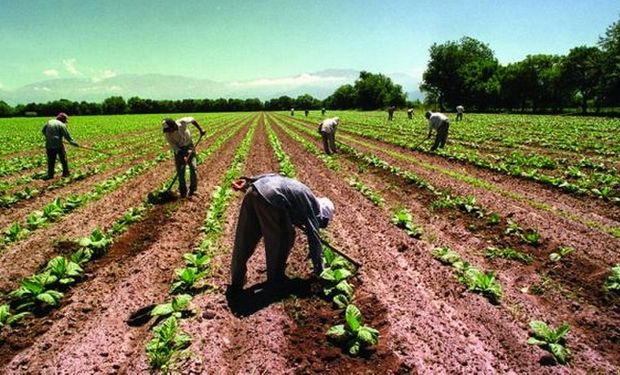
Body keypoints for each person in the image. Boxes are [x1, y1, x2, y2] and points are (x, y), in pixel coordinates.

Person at [229, 173, 334, 289]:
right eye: (322, 222)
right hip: (271, 198)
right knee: (284, 238)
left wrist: (249, 182)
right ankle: (276, 280)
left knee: (244, 238)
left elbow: (275, 176)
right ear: (322, 214)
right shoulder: (312, 205)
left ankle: (236, 281)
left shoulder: (301, 192)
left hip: (253, 191)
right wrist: (320, 270)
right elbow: (314, 237)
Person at [162, 117, 206, 198]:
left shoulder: (182, 122)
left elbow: (193, 119)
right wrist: (182, 155)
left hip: (189, 146)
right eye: (167, 130)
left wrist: (200, 130)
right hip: (179, 150)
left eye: (169, 129)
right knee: (180, 171)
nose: (168, 132)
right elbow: (174, 146)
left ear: (173, 126)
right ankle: (183, 191)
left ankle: (193, 190)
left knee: (193, 168)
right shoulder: (168, 135)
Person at [41, 112, 79, 180]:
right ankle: (66, 173)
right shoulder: (61, 125)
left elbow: (43, 131)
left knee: (51, 160)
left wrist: (49, 137)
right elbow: (67, 137)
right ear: (63, 120)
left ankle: (50, 175)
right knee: (63, 159)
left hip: (49, 145)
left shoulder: (49, 122)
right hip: (58, 145)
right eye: (65, 120)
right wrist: (74, 143)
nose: (65, 122)